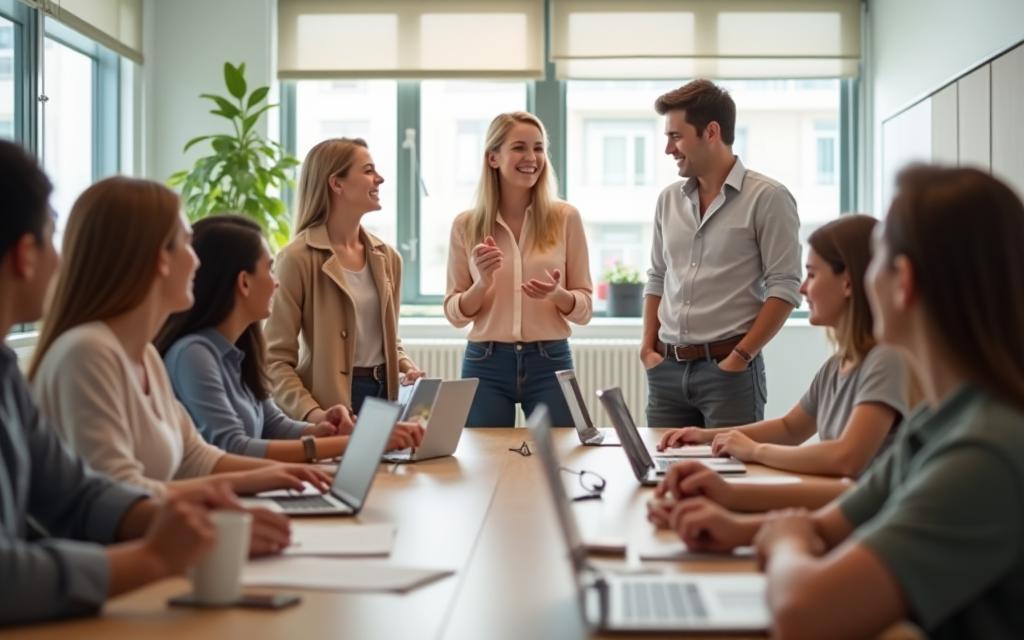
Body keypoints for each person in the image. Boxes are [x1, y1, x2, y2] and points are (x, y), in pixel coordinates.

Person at [651, 166, 1024, 639]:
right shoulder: (945, 417)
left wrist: (785, 540)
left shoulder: (983, 452)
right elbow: (839, 518)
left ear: (902, 281)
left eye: (877, 263)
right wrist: (732, 520)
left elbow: (803, 614)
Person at [0, 140, 290, 625]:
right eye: (52, 238)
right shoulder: (86, 352)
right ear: (26, 255)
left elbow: (78, 493)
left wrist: (177, 521)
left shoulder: (7, 372)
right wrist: (156, 555)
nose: (60, 260)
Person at [29, 177, 332, 498]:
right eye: (187, 244)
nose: (197, 261)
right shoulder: (87, 353)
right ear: (160, 258)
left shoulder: (143, 355)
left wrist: (286, 473)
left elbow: (195, 457)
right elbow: (117, 494)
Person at [653, 215, 908, 510]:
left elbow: (846, 458)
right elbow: (790, 428)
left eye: (812, 275)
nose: (802, 289)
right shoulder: (838, 365)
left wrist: (755, 451)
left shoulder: (887, 360)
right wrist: (704, 436)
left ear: (848, 283)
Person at [156, 215, 423, 462]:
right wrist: (359, 441)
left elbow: (274, 425)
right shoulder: (193, 355)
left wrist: (322, 428)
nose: (277, 283)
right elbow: (233, 448)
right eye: (270, 270)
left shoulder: (238, 352)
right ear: (244, 283)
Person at [642, 79, 802, 428]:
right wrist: (647, 348)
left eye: (676, 136)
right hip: (665, 371)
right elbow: (657, 276)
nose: (669, 148)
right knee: (661, 477)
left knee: (727, 478)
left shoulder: (769, 198)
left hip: (729, 374)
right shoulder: (668, 200)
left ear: (711, 132)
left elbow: (785, 287)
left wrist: (741, 357)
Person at [444, 112, 593, 427]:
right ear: (493, 158)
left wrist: (557, 294)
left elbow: (584, 310)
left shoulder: (566, 218)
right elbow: (455, 314)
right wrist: (481, 284)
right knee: (484, 463)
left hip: (550, 359)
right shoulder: (466, 225)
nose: (532, 158)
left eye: (538, 148)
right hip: (485, 362)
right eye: (520, 148)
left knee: (562, 460)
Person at [265, 138, 427, 422]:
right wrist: (315, 414)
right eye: (368, 170)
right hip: (330, 405)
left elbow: (386, 338)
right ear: (336, 183)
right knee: (339, 469)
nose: (380, 178)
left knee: (389, 468)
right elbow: (275, 360)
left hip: (384, 395)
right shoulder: (296, 259)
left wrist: (405, 365)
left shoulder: (388, 258)